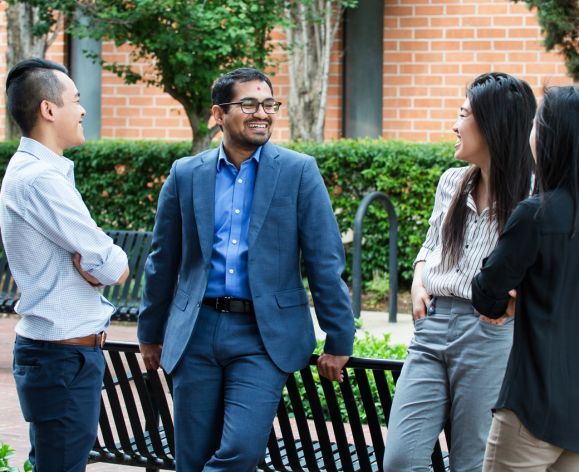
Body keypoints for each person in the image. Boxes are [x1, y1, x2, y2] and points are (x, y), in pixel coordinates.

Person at [137, 67, 355, 471]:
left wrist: (339, 337)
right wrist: (150, 333)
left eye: (269, 104)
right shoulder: (186, 174)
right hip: (196, 332)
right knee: (192, 455)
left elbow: (325, 259)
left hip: (262, 335)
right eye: (249, 104)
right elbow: (162, 259)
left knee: (241, 450)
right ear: (219, 114)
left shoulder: (298, 171)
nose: (263, 113)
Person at [383, 72, 536, 472]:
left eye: (463, 113)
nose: (454, 124)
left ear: (493, 124)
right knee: (400, 460)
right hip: (432, 327)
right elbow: (431, 245)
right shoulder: (451, 182)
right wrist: (419, 275)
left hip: (491, 334)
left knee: (473, 463)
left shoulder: (534, 194)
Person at [0, 58, 129, 471]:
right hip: (61, 359)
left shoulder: (39, 173)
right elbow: (112, 267)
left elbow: (95, 259)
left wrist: (93, 260)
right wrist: (100, 262)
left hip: (59, 357)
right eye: (76, 99)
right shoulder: (40, 179)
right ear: (48, 110)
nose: (83, 109)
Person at [472, 86, 579, 471]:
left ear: (552, 138)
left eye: (537, 123)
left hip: (533, 408)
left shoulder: (537, 214)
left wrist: (505, 303)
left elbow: (486, 293)